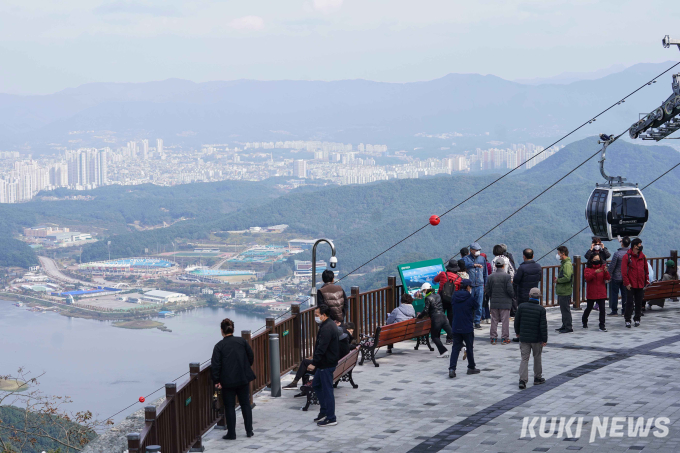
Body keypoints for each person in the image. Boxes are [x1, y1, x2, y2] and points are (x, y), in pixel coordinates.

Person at [211, 318, 256, 440]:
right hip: (242, 378)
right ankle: (249, 431)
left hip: (227, 381)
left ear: (222, 331)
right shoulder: (242, 341)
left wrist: (217, 381)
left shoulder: (219, 346)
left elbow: (216, 365)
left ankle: (232, 433)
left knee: (229, 406)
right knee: (245, 404)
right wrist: (245, 367)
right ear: (233, 329)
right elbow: (250, 356)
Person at [284, 320, 356, 392]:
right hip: (337, 368)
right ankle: (299, 385)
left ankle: (297, 384)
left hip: (326, 369)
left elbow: (323, 356)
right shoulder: (344, 344)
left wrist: (315, 362)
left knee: (305, 363)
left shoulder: (335, 346)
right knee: (306, 363)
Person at [309, 305, 340, 427]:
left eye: (317, 315)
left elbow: (322, 348)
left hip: (326, 363)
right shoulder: (328, 324)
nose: (316, 317)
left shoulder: (327, 328)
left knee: (327, 390)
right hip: (325, 362)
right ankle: (324, 411)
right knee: (316, 384)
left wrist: (313, 363)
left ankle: (331, 417)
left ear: (324, 315)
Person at [514, 288, 547, 390]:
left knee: (524, 358)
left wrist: (518, 333)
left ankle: (522, 380)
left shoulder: (522, 307)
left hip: (524, 338)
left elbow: (516, 322)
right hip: (536, 339)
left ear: (529, 295)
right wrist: (544, 339)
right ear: (539, 297)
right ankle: (537, 378)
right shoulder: (541, 309)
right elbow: (543, 326)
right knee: (537, 357)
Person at [448, 279, 481, 378]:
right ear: (468, 287)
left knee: (455, 348)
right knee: (469, 347)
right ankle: (471, 367)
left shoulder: (454, 296)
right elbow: (477, 306)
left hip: (456, 325)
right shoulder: (470, 298)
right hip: (467, 326)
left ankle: (452, 368)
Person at [417, 282, 453, 358]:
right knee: (451, 334)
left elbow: (426, 310)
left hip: (436, 319)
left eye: (423, 291)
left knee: (434, 336)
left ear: (426, 290)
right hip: (443, 316)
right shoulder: (437, 295)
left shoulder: (428, 297)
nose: (423, 292)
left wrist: (419, 316)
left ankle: (443, 351)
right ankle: (463, 347)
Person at [622, 238, 649, 328]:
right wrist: (627, 283)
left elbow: (646, 270)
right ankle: (627, 320)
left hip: (640, 283)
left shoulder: (643, 257)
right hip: (631, 284)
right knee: (629, 302)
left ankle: (637, 319)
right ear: (635, 246)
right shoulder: (627, 256)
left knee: (639, 303)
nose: (641, 246)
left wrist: (646, 280)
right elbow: (623, 272)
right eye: (639, 244)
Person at [486, 260, 515, 344]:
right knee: (505, 320)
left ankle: (493, 338)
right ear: (503, 266)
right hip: (505, 302)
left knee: (494, 320)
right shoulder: (507, 276)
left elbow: (487, 289)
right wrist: (512, 295)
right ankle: (504, 338)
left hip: (494, 301)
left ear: (495, 266)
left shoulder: (490, 276)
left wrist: (492, 295)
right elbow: (510, 290)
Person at [434, 259, 462, 343]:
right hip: (452, 301)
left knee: (439, 318)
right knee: (451, 319)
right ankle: (449, 338)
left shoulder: (443, 274)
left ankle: (437, 337)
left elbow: (435, 280)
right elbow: (459, 290)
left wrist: (439, 275)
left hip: (441, 299)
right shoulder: (459, 279)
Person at [463, 242, 488, 329]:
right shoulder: (466, 259)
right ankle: (469, 321)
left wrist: (485, 284)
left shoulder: (482, 259)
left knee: (479, 304)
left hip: (480, 285)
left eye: (479, 250)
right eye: (476, 250)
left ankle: (477, 321)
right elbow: (463, 264)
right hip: (470, 285)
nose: (478, 251)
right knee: (469, 304)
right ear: (471, 250)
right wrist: (473, 265)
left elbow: (485, 273)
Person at [583, 254, 610, 331]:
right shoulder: (588, 269)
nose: (597, 261)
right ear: (591, 260)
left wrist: (606, 272)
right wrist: (595, 272)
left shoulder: (602, 267)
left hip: (601, 291)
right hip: (592, 291)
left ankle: (602, 325)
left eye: (598, 259)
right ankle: (584, 320)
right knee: (589, 308)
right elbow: (587, 278)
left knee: (602, 309)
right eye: (595, 259)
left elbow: (607, 278)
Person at [553, 246, 574, 334]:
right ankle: (564, 325)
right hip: (563, 290)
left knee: (565, 309)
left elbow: (567, 277)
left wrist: (558, 280)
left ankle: (568, 327)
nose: (558, 255)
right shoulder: (564, 263)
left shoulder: (567, 265)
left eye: (558, 253)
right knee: (563, 309)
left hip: (565, 290)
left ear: (563, 254)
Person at [608, 236, 630, 316]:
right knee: (625, 294)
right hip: (626, 277)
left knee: (615, 294)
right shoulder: (630, 254)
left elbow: (612, 266)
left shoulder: (617, 254)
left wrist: (608, 275)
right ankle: (624, 310)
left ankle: (614, 311)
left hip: (616, 277)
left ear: (622, 244)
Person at [480, 252, 493, 324]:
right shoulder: (488, 265)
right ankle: (488, 317)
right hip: (488, 286)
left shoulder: (479, 265)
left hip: (480, 285)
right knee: (486, 302)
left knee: (481, 303)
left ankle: (483, 317)